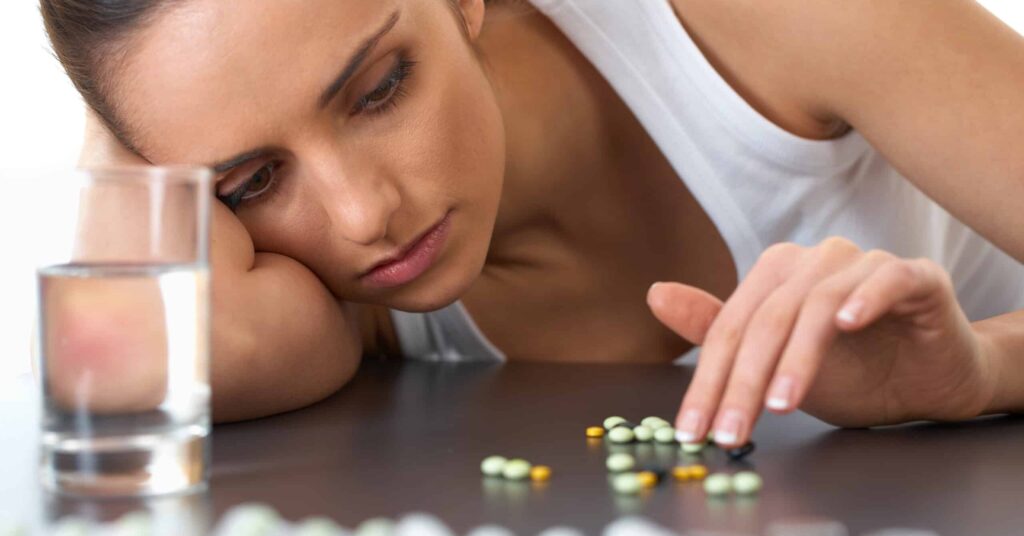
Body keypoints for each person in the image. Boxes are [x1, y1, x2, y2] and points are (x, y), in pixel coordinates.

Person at [40, 0, 1024, 447]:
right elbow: (118, 361)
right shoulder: (315, 288)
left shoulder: (770, 17)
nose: (360, 215)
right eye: (253, 180)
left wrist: (982, 371)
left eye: (380, 87)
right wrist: (124, 111)